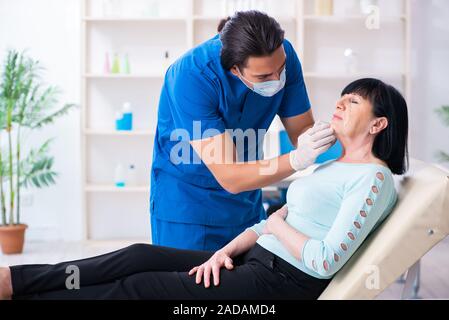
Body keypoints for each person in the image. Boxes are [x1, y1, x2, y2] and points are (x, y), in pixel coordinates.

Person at [0, 79, 408, 300]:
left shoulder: (374, 179)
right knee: (138, 255)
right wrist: (224, 251)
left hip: (281, 283)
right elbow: (270, 227)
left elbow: (324, 261)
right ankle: (16, 281)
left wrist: (274, 221)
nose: (340, 103)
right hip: (254, 258)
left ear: (378, 124)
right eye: (342, 97)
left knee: (137, 289)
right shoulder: (330, 165)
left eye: (354, 101)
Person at [150, 11, 336, 250]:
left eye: (280, 69)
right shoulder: (192, 76)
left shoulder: (282, 56)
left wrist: (331, 133)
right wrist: (296, 159)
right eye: (264, 76)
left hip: (246, 203)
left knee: (248, 283)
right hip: (189, 209)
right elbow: (231, 177)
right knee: (190, 284)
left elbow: (301, 131)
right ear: (235, 70)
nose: (278, 79)